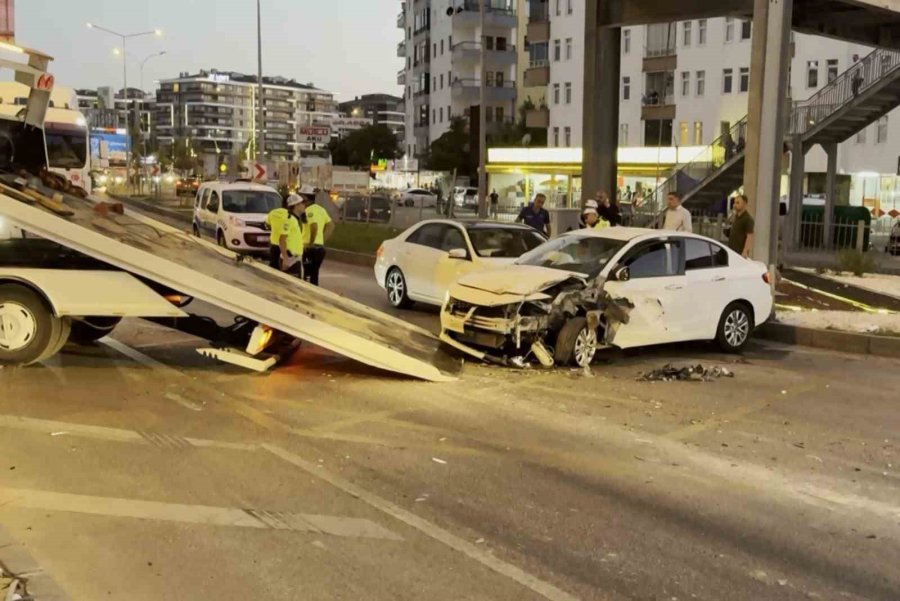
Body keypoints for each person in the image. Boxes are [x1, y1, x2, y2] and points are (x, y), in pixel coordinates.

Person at [301, 189, 335, 286]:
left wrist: (311, 243)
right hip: (319, 248)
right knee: (314, 275)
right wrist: (322, 239)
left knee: (307, 276)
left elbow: (314, 226)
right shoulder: (321, 209)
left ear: (306, 199)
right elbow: (331, 225)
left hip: (310, 248)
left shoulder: (308, 210)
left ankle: (308, 295)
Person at [278, 194, 306, 277]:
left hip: (296, 258)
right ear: (296, 205)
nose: (304, 205)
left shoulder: (295, 220)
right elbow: (282, 239)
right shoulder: (289, 220)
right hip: (290, 259)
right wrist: (286, 258)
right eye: (302, 203)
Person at [265, 196, 290, 270]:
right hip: (286, 245)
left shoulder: (273, 212)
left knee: (273, 266)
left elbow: (267, 223)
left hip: (274, 244)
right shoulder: (290, 215)